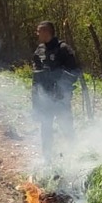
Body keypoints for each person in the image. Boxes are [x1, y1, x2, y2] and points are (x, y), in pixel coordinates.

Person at [31, 21, 80, 161]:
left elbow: (74, 72)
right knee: (46, 127)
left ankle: (74, 155)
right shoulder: (39, 50)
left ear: (47, 32)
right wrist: (35, 102)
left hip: (60, 97)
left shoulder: (63, 49)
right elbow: (36, 76)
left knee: (66, 125)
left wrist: (61, 88)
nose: (37, 34)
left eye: (39, 31)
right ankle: (47, 157)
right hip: (44, 97)